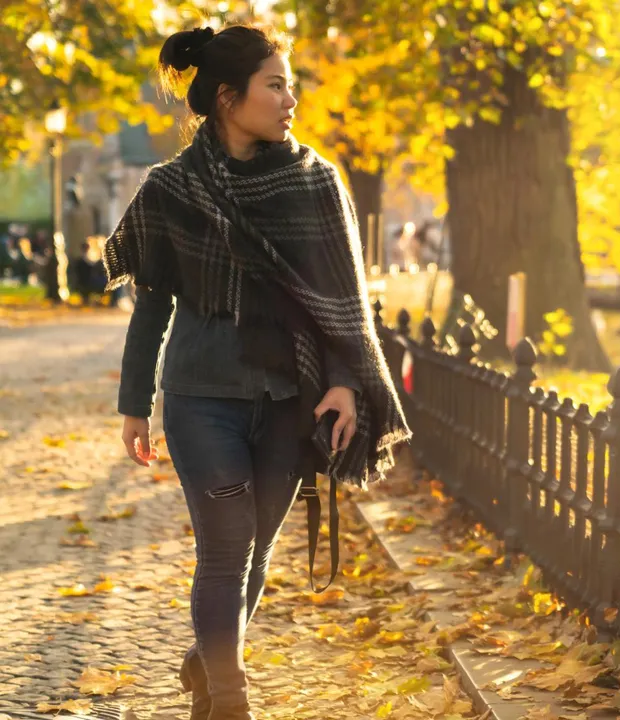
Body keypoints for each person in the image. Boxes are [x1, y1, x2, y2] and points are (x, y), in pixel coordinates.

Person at [103, 24, 411, 720]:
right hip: (199, 398)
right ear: (226, 98)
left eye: (288, 82)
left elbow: (342, 304)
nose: (290, 97)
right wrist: (133, 405)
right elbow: (148, 311)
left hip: (286, 402)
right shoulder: (170, 190)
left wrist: (342, 382)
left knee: (256, 554)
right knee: (225, 552)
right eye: (275, 84)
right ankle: (232, 702)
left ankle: (205, 668)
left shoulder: (316, 184)